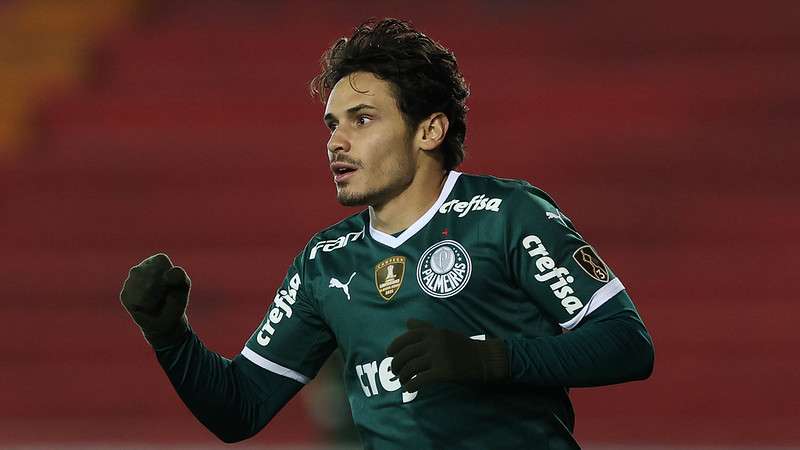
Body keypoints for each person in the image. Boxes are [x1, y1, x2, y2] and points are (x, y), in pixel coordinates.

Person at [120, 18, 654, 450]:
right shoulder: (325, 262)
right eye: (332, 124)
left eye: (363, 119)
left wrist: (487, 359)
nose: (337, 142)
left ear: (430, 129)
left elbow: (627, 344)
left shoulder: (508, 214)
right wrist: (170, 337)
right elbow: (239, 408)